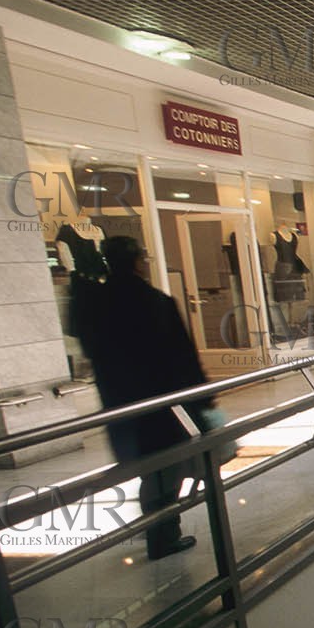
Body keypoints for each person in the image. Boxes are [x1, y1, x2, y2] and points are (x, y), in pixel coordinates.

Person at [84, 236, 211, 560]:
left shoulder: (94, 304)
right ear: (138, 261)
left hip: (120, 405)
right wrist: (203, 398)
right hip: (161, 404)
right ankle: (163, 533)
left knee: (147, 468)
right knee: (165, 469)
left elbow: (91, 352)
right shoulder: (156, 302)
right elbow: (183, 357)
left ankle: (155, 524)